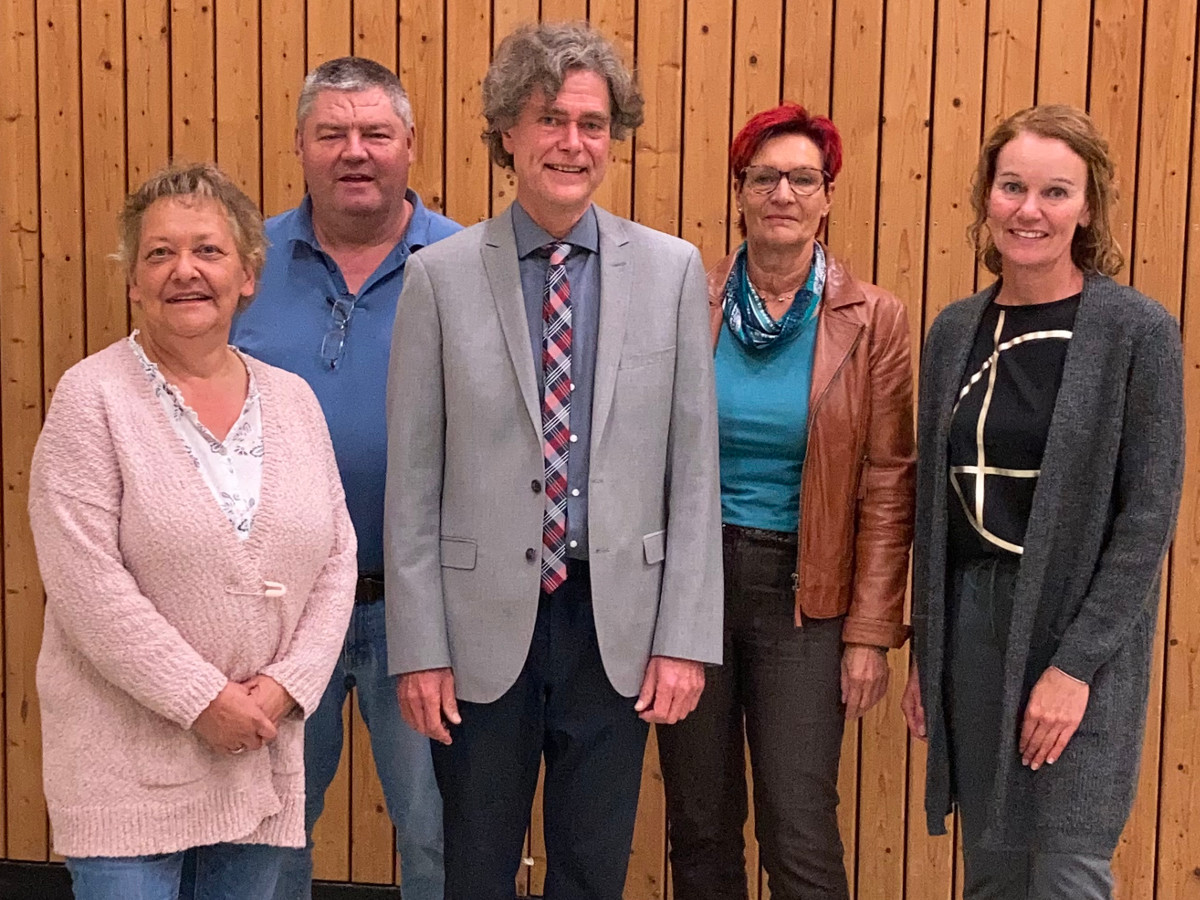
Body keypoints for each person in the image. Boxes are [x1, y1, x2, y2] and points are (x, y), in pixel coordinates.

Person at [384, 22, 722, 900]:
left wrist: (684, 639)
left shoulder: (674, 271)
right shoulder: (439, 277)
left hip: (615, 624)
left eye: (593, 122)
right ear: (508, 132)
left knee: (590, 869)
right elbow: (413, 483)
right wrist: (418, 648)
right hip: (478, 626)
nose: (573, 142)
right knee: (477, 869)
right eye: (549, 119)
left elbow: (693, 472)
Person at [26, 162, 356, 900]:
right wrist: (202, 700)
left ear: (247, 274)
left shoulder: (294, 401)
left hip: (256, 762)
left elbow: (338, 559)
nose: (185, 271)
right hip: (127, 770)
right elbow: (85, 586)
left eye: (207, 251)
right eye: (159, 254)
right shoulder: (93, 398)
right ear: (134, 281)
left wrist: (285, 688)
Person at [902, 105, 1184, 900]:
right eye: (1013, 187)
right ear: (986, 198)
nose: (1030, 210)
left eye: (1056, 192)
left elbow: (1147, 520)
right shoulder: (954, 332)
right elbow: (936, 506)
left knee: (1065, 871)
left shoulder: (1137, 332)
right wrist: (930, 648)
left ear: (1087, 207)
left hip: (1076, 632)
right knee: (990, 873)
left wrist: (1074, 665)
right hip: (972, 622)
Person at [655, 103, 915, 899]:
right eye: (764, 177)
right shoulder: (684, 302)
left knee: (798, 823)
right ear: (738, 191)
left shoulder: (873, 320)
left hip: (808, 597)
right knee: (699, 821)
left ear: (827, 196)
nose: (783, 193)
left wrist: (869, 634)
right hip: (692, 590)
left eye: (804, 178)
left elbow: (889, 481)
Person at [230, 56, 459, 900]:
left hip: (423, 616)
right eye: (332, 133)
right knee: (274, 839)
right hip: (276, 617)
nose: (354, 152)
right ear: (300, 145)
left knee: (441, 838)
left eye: (375, 133)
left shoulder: (467, 266)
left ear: (411, 147)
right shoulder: (242, 264)